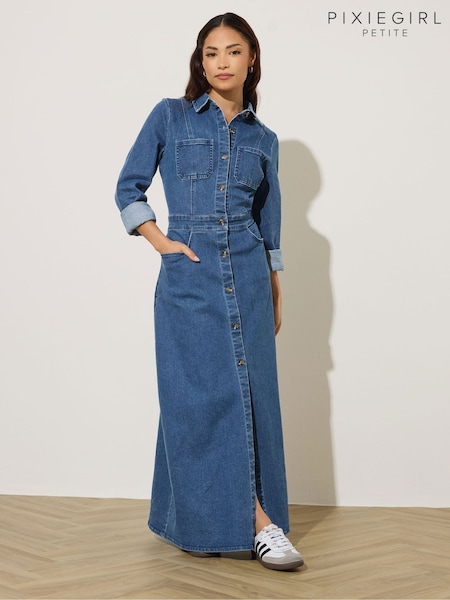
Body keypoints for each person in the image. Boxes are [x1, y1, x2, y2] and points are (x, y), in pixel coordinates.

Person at [115, 13, 303, 571]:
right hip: (190, 279)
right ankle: (253, 524)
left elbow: (269, 222)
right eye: (211, 53)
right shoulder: (169, 116)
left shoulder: (264, 139)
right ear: (200, 62)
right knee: (195, 402)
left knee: (252, 399)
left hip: (249, 277)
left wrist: (274, 285)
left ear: (252, 59)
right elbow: (128, 187)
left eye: (233, 51)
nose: (222, 62)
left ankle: (249, 521)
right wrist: (162, 242)